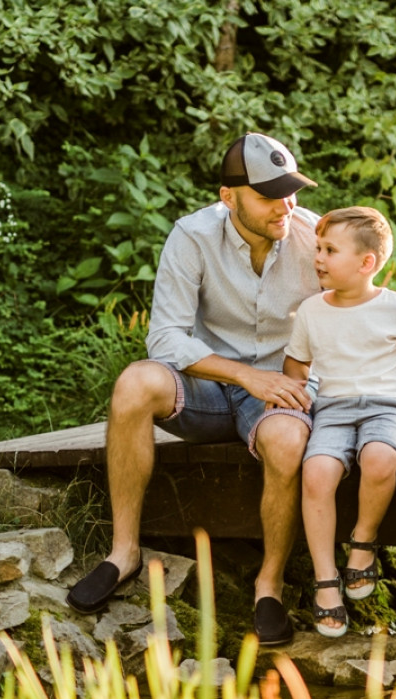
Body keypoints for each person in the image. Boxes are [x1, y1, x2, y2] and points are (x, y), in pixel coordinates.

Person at [66, 132, 321, 647]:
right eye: (269, 195)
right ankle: (124, 554)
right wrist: (244, 374)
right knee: (135, 381)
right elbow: (164, 336)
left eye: (290, 191)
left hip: (278, 391)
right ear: (228, 197)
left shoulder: (315, 236)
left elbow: (357, 318)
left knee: (288, 442)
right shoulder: (192, 235)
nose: (285, 206)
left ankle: (267, 585)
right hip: (205, 386)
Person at [282, 206, 396, 638]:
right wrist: (291, 397)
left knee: (379, 459)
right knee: (317, 471)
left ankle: (362, 542)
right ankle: (326, 579)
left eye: (330, 250)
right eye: (318, 248)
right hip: (334, 408)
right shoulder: (311, 311)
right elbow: (296, 364)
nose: (318, 257)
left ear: (367, 263)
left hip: (389, 407)